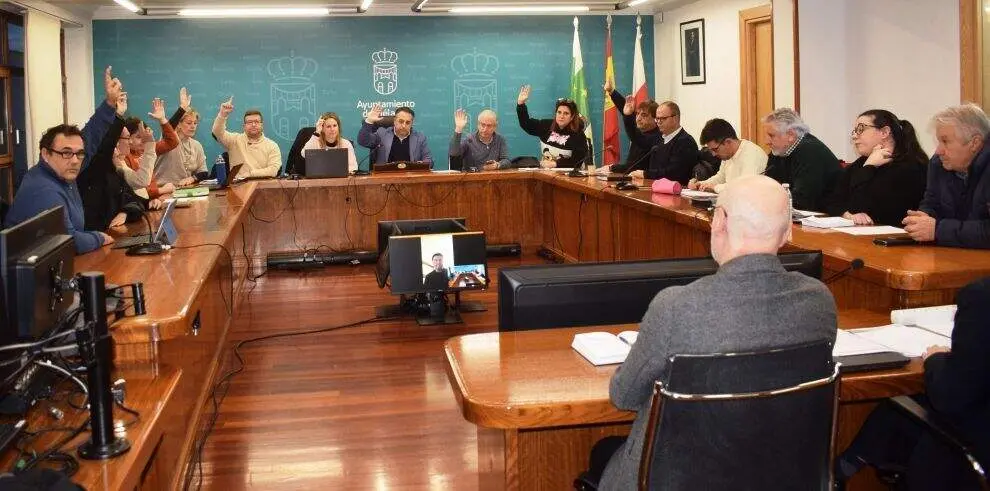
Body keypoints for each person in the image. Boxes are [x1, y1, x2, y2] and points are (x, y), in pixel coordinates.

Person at [589, 175, 837, 491]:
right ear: (788, 232)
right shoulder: (819, 301)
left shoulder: (678, 306)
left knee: (604, 451)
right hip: (779, 475)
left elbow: (623, 397)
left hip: (674, 479)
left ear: (719, 220)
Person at [835, 276, 990, 490]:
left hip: (973, 457)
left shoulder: (982, 296)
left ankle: (842, 469)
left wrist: (936, 359)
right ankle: (845, 466)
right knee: (901, 407)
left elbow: (949, 395)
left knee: (901, 406)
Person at [4, 67, 121, 253]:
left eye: (79, 154)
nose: (75, 160)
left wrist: (109, 103)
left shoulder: (63, 170)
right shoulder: (44, 189)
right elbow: (68, 241)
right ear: (45, 154)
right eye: (66, 153)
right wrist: (99, 237)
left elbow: (90, 138)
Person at [902, 104, 990, 248]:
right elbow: (931, 203)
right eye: (938, 142)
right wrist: (922, 220)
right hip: (953, 257)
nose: (938, 151)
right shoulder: (938, 164)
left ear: (975, 143)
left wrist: (938, 230)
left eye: (945, 141)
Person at [823, 110, 928, 227]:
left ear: (884, 132)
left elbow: (864, 207)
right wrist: (847, 215)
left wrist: (869, 168)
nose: (854, 136)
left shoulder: (910, 167)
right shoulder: (861, 163)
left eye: (861, 129)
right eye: (855, 130)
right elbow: (831, 202)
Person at [77, 92, 163, 233]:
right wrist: (117, 115)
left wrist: (147, 204)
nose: (129, 142)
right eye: (127, 138)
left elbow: (135, 201)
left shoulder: (115, 171)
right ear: (115, 143)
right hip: (96, 238)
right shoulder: (96, 169)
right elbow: (103, 146)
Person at [763, 108, 842, 212]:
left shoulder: (811, 151)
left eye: (771, 135)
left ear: (791, 135)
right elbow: (767, 187)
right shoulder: (779, 151)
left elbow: (803, 200)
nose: (766, 141)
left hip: (829, 217)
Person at [515, 85, 588, 169]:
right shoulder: (546, 126)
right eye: (559, 112)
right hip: (546, 174)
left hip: (568, 177)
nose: (561, 116)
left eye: (566, 113)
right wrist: (521, 104)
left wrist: (555, 164)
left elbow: (578, 161)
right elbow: (526, 124)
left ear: (572, 117)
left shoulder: (578, 135)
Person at [626, 101, 697, 184]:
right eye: (657, 118)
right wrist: (627, 116)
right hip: (654, 188)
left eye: (663, 118)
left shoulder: (685, 142)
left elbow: (674, 174)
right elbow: (638, 139)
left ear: (675, 118)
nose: (659, 122)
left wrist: (645, 174)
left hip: (676, 192)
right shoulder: (660, 140)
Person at [598, 78, 660, 174]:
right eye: (637, 114)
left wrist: (611, 168)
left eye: (644, 115)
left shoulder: (656, 138)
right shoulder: (643, 130)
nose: (638, 118)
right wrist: (612, 91)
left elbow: (634, 167)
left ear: (656, 118)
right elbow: (627, 108)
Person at [689, 118, 767, 193]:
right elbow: (721, 177)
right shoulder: (727, 155)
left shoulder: (751, 154)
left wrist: (715, 188)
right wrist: (701, 184)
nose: (713, 154)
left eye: (715, 149)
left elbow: (744, 187)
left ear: (728, 142)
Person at [211, 98, 282, 179]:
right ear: (244, 126)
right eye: (249, 122)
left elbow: (273, 171)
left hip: (264, 186)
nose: (253, 125)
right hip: (239, 187)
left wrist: (249, 174)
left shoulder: (272, 146)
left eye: (256, 122)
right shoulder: (234, 140)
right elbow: (217, 132)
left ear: (262, 125)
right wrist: (222, 114)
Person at [122, 97, 178, 198]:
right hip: (142, 204)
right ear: (127, 138)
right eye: (139, 137)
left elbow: (172, 142)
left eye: (145, 136)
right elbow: (135, 189)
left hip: (153, 201)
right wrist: (161, 190)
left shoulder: (148, 149)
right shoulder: (124, 158)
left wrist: (162, 119)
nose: (144, 140)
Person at [358, 105, 433, 166]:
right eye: (401, 121)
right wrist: (369, 121)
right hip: (385, 179)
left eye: (407, 123)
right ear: (394, 121)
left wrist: (421, 164)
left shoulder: (420, 137)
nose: (404, 126)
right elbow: (363, 141)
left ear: (412, 123)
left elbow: (429, 160)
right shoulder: (382, 134)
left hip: (410, 178)